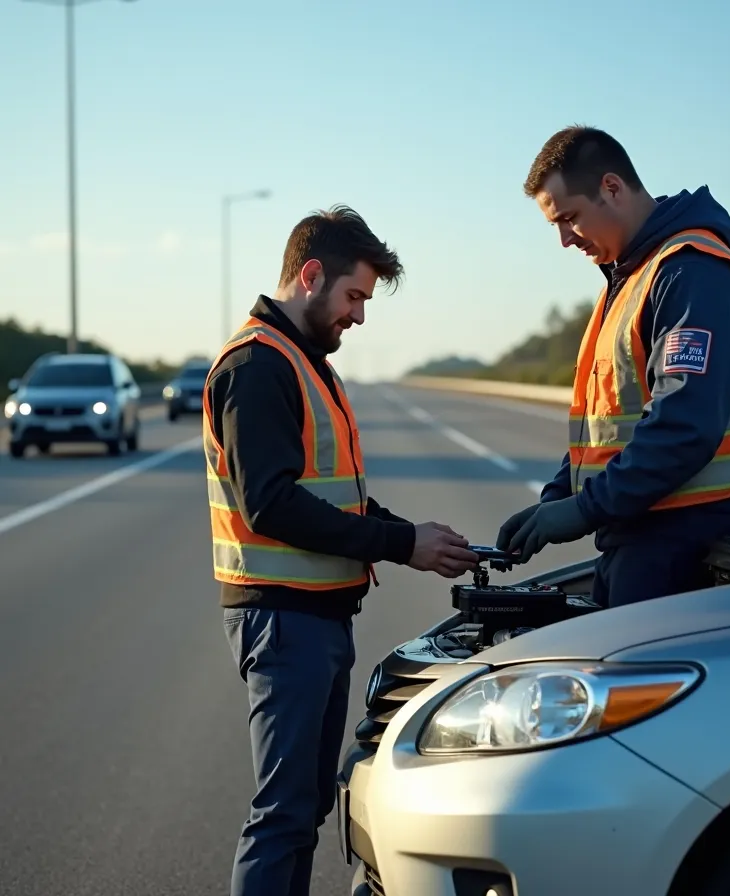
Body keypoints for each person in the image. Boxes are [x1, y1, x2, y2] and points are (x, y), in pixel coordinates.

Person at [202, 204, 480, 896]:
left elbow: (336, 501)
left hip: (316, 618)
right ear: (311, 275)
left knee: (303, 810)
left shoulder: (304, 363)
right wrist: (398, 543)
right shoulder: (259, 366)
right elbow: (272, 504)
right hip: (283, 620)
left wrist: (417, 538)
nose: (359, 316)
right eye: (354, 296)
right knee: (283, 814)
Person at [496, 126, 730, 608]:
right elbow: (614, 427)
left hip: (691, 549)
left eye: (569, 219)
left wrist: (585, 508)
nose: (565, 240)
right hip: (644, 537)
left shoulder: (690, 272)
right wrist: (557, 498)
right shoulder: (634, 276)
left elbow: (684, 425)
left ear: (611, 188)